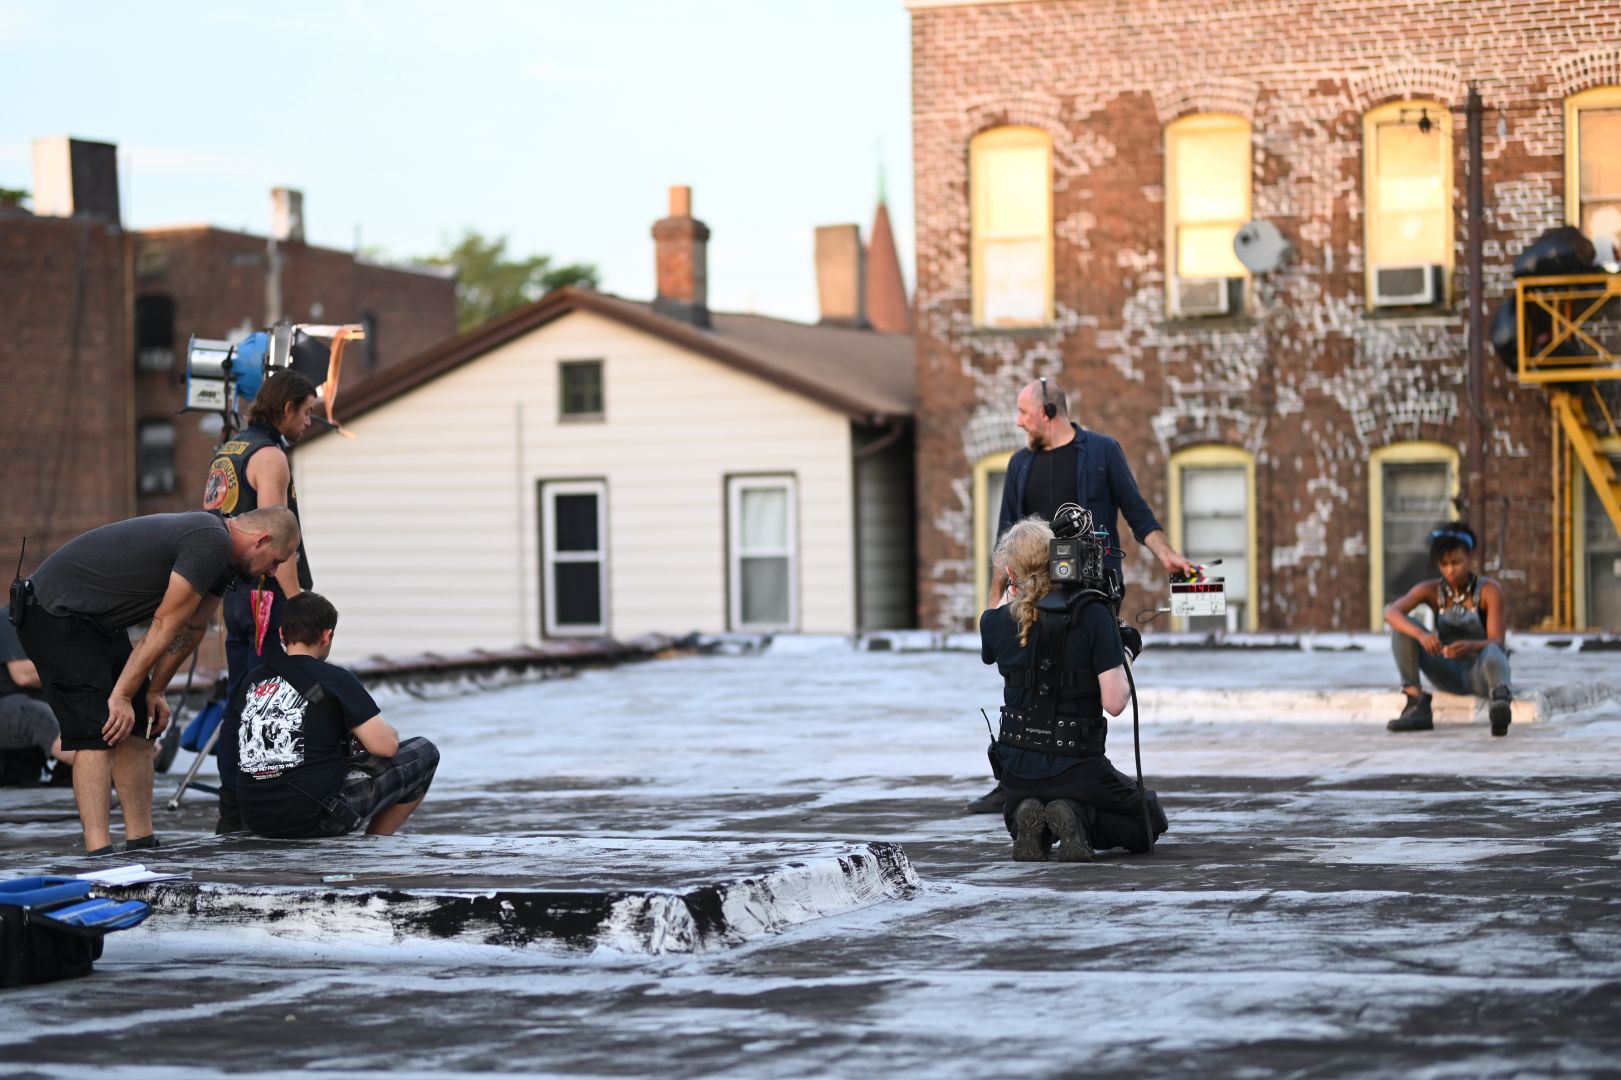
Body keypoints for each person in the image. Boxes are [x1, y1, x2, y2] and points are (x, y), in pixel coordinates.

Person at [13, 507, 299, 854]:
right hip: (54, 612)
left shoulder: (223, 560)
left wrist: (155, 689)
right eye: (276, 560)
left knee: (142, 724)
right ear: (262, 540)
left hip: (97, 622)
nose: (273, 571)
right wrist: (121, 695)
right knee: (98, 729)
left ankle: (141, 843)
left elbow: (192, 627)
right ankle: (98, 854)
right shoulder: (211, 541)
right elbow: (164, 622)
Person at [969, 376, 1194, 813]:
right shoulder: (1020, 464)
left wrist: (1167, 555)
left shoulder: (1103, 451)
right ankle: (1014, 778)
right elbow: (1005, 536)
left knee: (1082, 685)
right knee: (1028, 682)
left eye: (1024, 413)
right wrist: (994, 600)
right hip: (1032, 592)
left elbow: (1136, 511)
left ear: (1048, 413)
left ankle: (1081, 771)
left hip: (1090, 593)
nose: (1019, 422)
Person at [981, 517, 1167, 861]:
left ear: (1008, 571)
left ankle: (1035, 823)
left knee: (1021, 811)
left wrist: (1012, 586)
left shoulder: (993, 623)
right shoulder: (1092, 613)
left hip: (1016, 772)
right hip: (1077, 767)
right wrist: (1124, 650)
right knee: (1148, 822)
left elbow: (1005, 616)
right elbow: (1115, 702)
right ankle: (1076, 814)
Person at [202, 370, 320, 834]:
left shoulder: (228, 451)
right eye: (306, 412)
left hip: (233, 592)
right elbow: (277, 536)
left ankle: (233, 806)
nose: (308, 421)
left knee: (239, 696)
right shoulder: (270, 456)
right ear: (286, 407)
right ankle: (259, 804)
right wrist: (296, 601)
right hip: (265, 594)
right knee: (269, 700)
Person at [234, 592, 439, 839]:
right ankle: (376, 845)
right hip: (314, 818)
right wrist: (388, 734)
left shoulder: (253, 680)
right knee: (425, 752)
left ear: (281, 634)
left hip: (256, 817)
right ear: (327, 635)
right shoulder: (336, 679)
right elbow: (385, 747)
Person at [1384, 522, 1514, 736]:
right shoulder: (1431, 590)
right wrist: (1423, 635)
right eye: (1444, 564)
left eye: (1456, 562)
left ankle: (1500, 702)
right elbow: (1391, 613)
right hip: (1447, 670)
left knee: (1493, 651)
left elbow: (1497, 640)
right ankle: (1415, 703)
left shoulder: (1489, 590)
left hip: (1480, 672)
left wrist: (1470, 645)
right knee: (1403, 628)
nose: (1450, 570)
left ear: (1470, 557)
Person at [0, 616, 75, 786]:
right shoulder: (8, 618)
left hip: (37, 702)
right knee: (36, 716)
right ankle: (112, 771)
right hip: (11, 706)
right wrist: (78, 672)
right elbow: (23, 675)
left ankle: (127, 765)